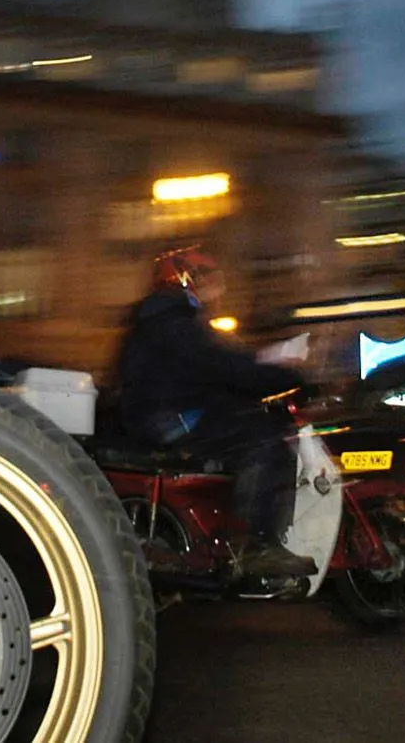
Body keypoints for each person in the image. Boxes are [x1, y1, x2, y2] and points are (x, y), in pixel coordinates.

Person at [114, 245, 314, 580]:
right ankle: (258, 545)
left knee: (242, 424)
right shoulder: (174, 322)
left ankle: (231, 531)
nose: (212, 288)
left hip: (159, 415)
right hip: (171, 419)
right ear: (184, 280)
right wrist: (289, 376)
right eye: (205, 278)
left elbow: (216, 369)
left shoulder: (159, 320)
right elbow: (225, 367)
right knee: (266, 441)